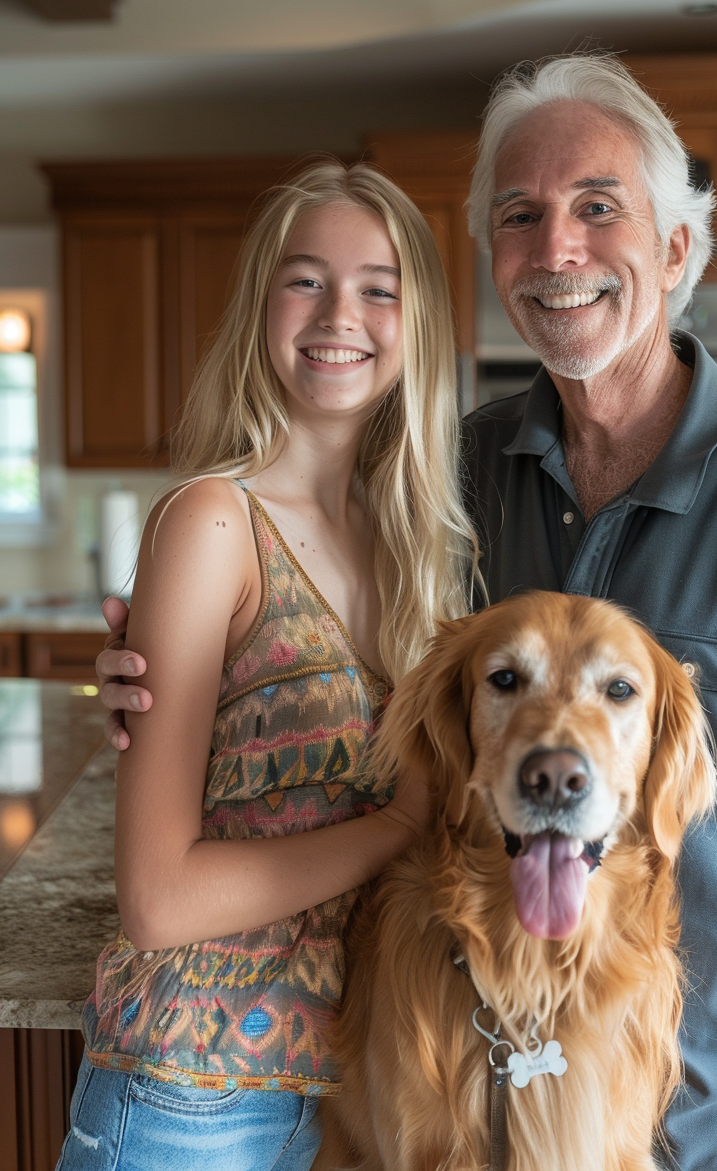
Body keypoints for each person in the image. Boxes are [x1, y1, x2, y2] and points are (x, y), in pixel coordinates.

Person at [96, 55, 717, 1171]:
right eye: (521, 216)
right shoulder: (445, 483)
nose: (558, 249)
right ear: (493, 261)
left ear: (677, 248)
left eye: (598, 208)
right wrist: (161, 665)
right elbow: (315, 646)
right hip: (473, 1123)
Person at [59, 158, 480, 1171]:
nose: (341, 312)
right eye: (306, 278)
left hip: (341, 1090)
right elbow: (158, 898)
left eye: (379, 286)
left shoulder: (410, 549)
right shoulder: (214, 518)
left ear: (415, 321)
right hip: (189, 1097)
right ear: (261, 305)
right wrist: (394, 827)